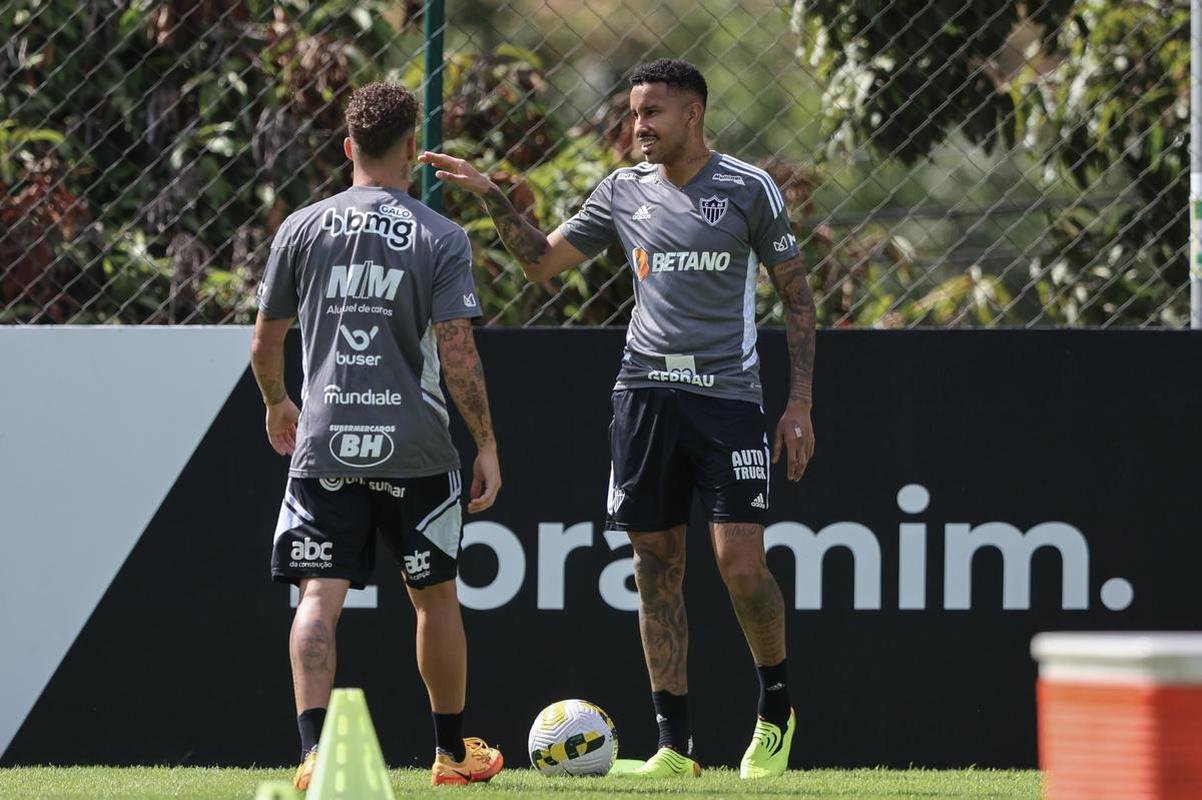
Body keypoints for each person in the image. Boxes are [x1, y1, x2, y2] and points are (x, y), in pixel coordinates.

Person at [420, 58, 816, 779]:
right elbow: (541, 263)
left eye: (653, 113)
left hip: (727, 402)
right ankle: (674, 748)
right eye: (634, 113)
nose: (639, 127)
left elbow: (797, 297)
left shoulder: (747, 188)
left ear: (693, 113)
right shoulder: (621, 192)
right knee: (653, 569)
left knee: (739, 565)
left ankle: (776, 708)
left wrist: (799, 403)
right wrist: (494, 198)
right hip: (642, 398)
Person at [250, 81, 504, 790]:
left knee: (318, 599)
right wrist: (484, 442)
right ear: (413, 151)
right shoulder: (439, 235)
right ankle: (452, 756)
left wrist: (277, 402)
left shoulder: (300, 227)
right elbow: (458, 353)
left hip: (325, 441)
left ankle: (310, 756)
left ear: (347, 147)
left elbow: (264, 347)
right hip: (417, 447)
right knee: (436, 598)